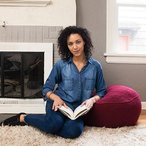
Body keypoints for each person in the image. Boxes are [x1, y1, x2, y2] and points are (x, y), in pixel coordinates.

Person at [0, 26, 107, 139]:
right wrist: (55, 98)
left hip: (77, 111)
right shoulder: (61, 65)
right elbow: (46, 88)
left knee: (74, 131)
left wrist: (92, 99)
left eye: (78, 42)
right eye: (70, 44)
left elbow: (101, 91)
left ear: (84, 42)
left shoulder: (95, 66)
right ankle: (23, 117)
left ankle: (48, 121)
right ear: (66, 46)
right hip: (58, 105)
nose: (75, 47)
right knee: (53, 125)